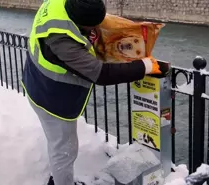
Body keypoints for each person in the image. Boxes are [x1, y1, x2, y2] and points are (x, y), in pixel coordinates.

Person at [21, 0, 167, 185]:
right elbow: (101, 74)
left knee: (59, 144)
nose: (96, 29)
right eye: (91, 27)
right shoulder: (61, 41)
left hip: (38, 80)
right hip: (50, 98)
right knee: (64, 150)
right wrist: (144, 66)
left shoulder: (63, 5)